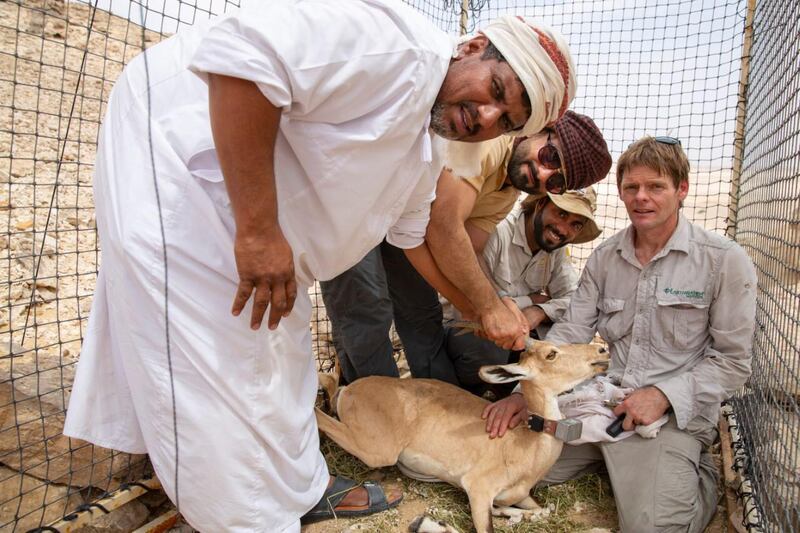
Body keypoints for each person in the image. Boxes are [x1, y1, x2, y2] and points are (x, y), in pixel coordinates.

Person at [62, 1, 578, 530]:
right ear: (471, 49)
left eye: (506, 122)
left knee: (285, 361)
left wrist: (484, 309)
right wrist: (259, 233)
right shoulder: (401, 48)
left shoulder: (426, 147)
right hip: (179, 177)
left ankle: (303, 490)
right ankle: (239, 517)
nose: (487, 118)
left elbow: (417, 237)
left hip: (257, 235)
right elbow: (242, 64)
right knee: (213, 373)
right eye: (495, 91)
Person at [483, 136, 757, 532]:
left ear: (682, 189)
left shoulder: (724, 261)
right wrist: (524, 394)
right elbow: (573, 328)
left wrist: (663, 395)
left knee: (653, 527)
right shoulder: (606, 256)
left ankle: (688, 469)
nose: (641, 198)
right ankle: (618, 466)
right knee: (497, 467)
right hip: (600, 402)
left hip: (666, 417)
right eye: (632, 187)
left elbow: (733, 363)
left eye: (656, 187)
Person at [321, 111, 610, 385]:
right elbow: (444, 229)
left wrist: (491, 305)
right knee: (367, 309)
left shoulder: (505, 195)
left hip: (409, 225)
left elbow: (465, 252)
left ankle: (436, 407)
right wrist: (488, 308)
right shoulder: (493, 142)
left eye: (557, 183)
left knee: (421, 312)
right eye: (550, 156)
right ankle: (379, 412)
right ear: (541, 130)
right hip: (360, 204)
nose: (544, 174)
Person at [443, 187, 602, 394]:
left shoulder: (556, 248)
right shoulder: (497, 231)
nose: (563, 229)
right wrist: (529, 300)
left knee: (556, 344)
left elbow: (576, 300)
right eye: (561, 214)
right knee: (492, 345)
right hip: (461, 328)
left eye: (575, 224)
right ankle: (468, 394)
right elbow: (474, 303)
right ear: (540, 205)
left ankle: (511, 396)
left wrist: (539, 311)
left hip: (513, 336)